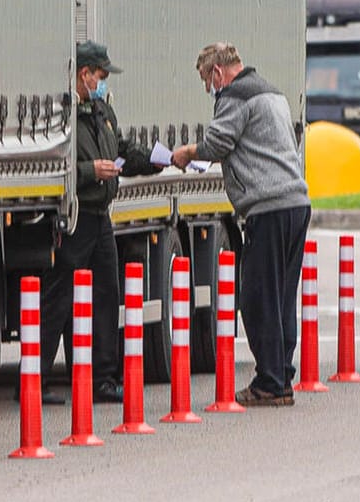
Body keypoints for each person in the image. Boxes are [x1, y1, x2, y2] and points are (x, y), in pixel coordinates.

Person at [171, 42, 310, 407]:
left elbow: (219, 142)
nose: (208, 89)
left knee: (256, 297)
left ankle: (270, 381)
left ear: (218, 72)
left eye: (206, 79)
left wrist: (188, 152)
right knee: (281, 298)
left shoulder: (235, 94)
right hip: (295, 203)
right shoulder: (271, 91)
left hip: (268, 207)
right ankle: (281, 375)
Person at [38, 40, 160, 403]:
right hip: (74, 217)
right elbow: (53, 169)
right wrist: (90, 171)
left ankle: (103, 378)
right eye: (101, 76)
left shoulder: (103, 112)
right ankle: (36, 377)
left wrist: (155, 160)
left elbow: (121, 150)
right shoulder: (62, 116)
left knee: (107, 295)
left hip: (100, 217)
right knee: (57, 300)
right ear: (84, 74)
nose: (104, 82)